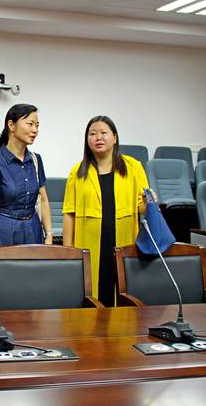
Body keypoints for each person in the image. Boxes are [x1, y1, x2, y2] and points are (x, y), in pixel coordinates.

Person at [62, 116, 149, 307]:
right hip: (90, 245)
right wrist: (68, 251)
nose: (98, 137)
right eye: (92, 134)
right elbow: (69, 213)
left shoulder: (133, 167)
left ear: (115, 138)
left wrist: (150, 203)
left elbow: (141, 208)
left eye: (103, 133)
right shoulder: (77, 172)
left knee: (122, 294)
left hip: (123, 241)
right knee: (92, 296)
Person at [0, 104, 53, 248]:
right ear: (11, 125)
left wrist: (49, 234)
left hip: (33, 229)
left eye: (37, 125)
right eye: (30, 124)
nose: (35, 130)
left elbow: (43, 199)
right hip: (5, 230)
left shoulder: (36, 159)